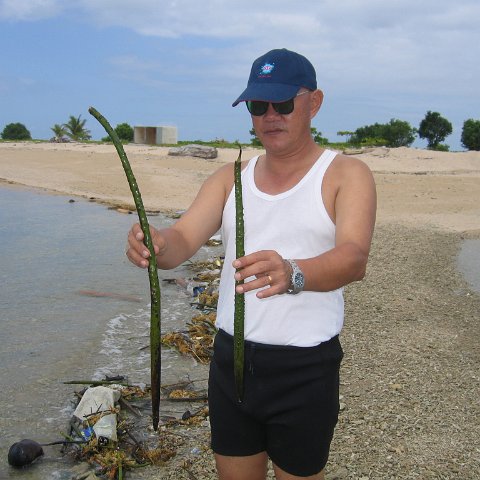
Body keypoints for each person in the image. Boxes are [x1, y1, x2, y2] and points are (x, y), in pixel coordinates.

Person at [126, 48, 376, 480]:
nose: (270, 116)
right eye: (259, 106)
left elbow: (353, 258)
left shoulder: (345, 174)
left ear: (313, 103)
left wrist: (294, 272)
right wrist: (154, 243)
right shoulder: (229, 178)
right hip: (231, 361)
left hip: (305, 368)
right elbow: (182, 241)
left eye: (283, 103)